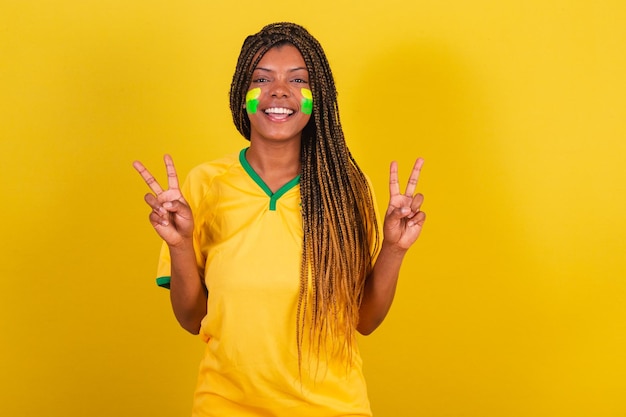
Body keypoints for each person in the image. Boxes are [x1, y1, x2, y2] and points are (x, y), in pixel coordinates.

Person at [133, 22, 425, 417]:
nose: (280, 91)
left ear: (316, 97)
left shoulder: (347, 190)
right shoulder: (204, 184)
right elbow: (191, 318)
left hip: (331, 408)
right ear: (243, 95)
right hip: (225, 406)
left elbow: (365, 320)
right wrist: (180, 244)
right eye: (262, 79)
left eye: (299, 79)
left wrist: (393, 249)